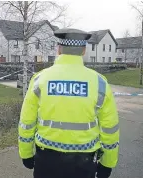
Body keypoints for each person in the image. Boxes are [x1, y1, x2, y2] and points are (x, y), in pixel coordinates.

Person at [18, 28, 120, 178]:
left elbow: (27, 121)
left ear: (59, 50)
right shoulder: (99, 82)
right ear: (84, 51)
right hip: (83, 163)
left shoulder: (40, 79)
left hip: (46, 161)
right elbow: (109, 128)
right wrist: (108, 162)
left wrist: (26, 153)